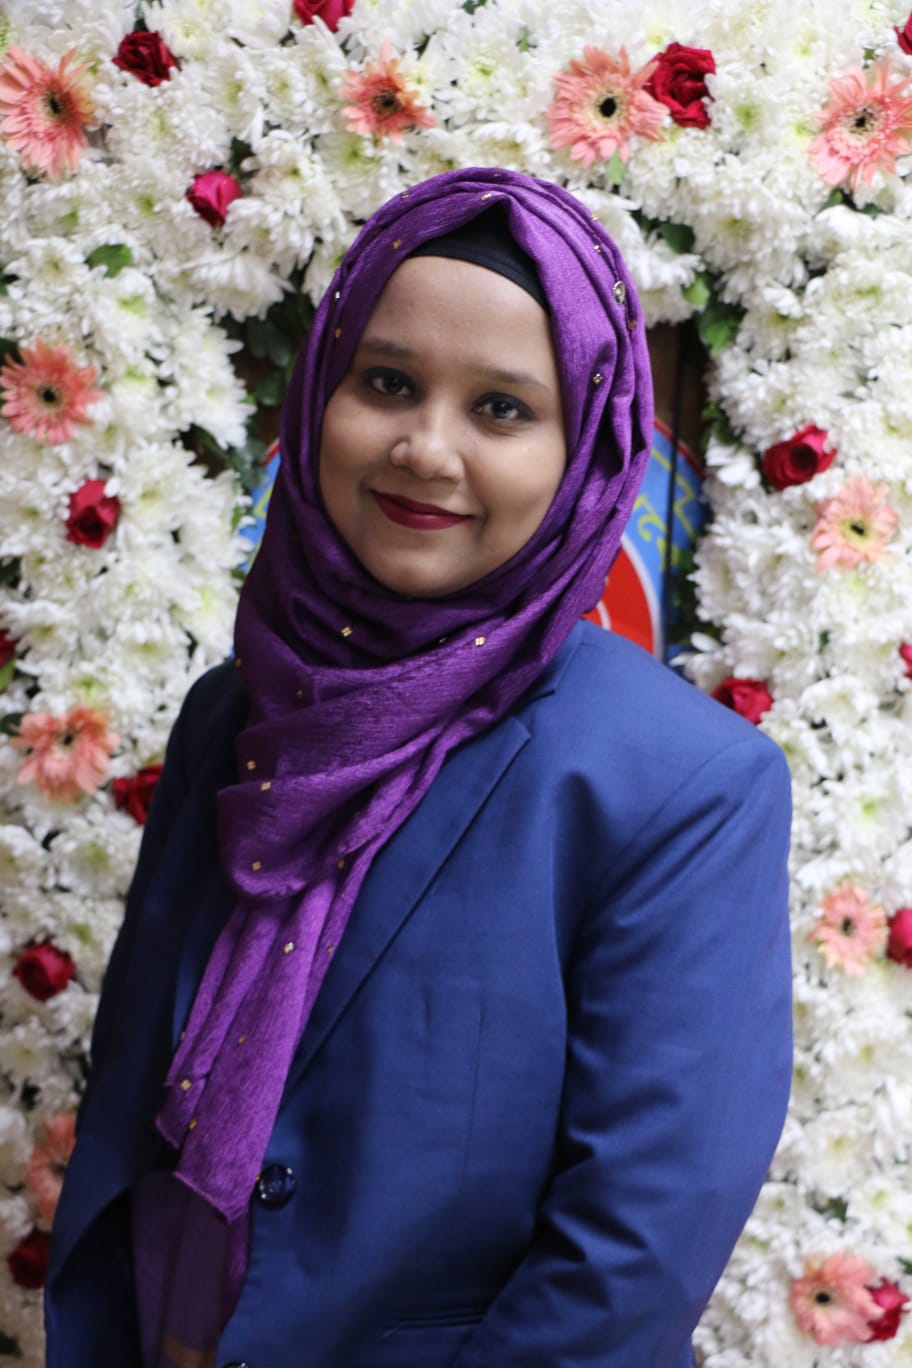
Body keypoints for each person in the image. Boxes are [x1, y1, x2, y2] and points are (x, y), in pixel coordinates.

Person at [46, 168, 793, 1368]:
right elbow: (139, 1074)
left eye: (501, 408)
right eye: (387, 383)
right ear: (320, 392)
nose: (425, 450)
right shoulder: (233, 712)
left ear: (586, 449)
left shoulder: (678, 785)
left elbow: (633, 1251)